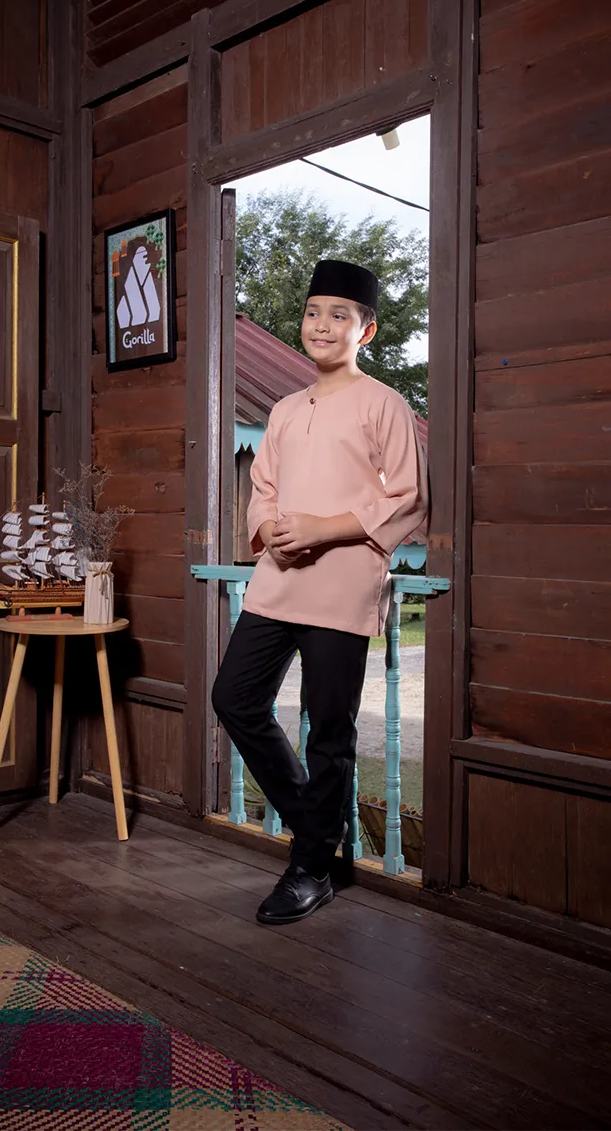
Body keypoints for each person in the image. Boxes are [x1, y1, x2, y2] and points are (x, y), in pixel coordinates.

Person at [212, 260, 428, 926]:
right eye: (313, 313)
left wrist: (321, 529)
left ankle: (309, 869)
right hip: (278, 580)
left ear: (366, 330)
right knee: (234, 698)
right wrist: (270, 532)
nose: (322, 325)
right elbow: (264, 489)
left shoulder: (385, 404)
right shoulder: (283, 409)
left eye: (339, 315)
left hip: (343, 584)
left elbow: (408, 498)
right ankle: (319, 831)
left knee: (329, 732)